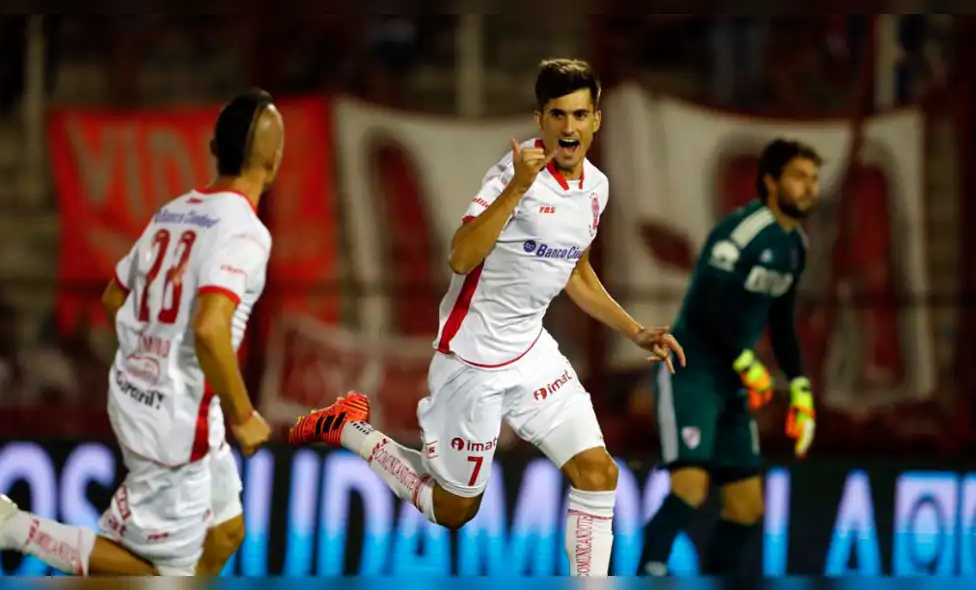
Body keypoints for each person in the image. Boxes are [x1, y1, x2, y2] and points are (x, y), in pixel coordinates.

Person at [288, 58, 685, 577]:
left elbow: (576, 271)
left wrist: (635, 330)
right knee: (453, 510)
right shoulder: (509, 177)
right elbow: (460, 256)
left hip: (531, 351)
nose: (570, 129)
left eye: (580, 115)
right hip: (472, 362)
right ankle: (350, 429)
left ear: (597, 120)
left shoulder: (596, 188)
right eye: (558, 115)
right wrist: (517, 188)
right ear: (540, 119)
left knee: (598, 472)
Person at [0, 88, 282, 576]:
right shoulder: (245, 231)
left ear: (212, 150)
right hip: (177, 416)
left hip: (148, 392)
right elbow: (209, 329)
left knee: (225, 533)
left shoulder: (174, 211)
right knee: (157, 575)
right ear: (274, 159)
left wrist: (150, 347)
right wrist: (244, 415)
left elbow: (114, 296)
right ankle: (12, 526)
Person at [640, 138, 820, 576]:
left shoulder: (797, 245)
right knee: (690, 488)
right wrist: (745, 363)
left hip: (733, 381)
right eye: (799, 177)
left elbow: (780, 321)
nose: (810, 188)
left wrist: (800, 389)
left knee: (746, 506)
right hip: (693, 370)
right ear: (771, 182)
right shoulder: (739, 233)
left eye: (815, 179)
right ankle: (648, 573)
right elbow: (704, 311)